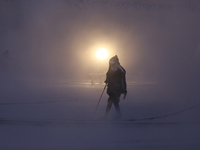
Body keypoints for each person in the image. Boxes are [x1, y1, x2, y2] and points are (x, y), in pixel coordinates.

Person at [104, 55, 127, 119]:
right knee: (113, 102)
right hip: (112, 88)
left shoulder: (119, 69)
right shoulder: (112, 68)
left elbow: (122, 80)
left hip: (116, 88)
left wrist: (124, 89)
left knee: (111, 102)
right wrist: (107, 80)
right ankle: (118, 116)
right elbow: (109, 76)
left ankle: (106, 116)